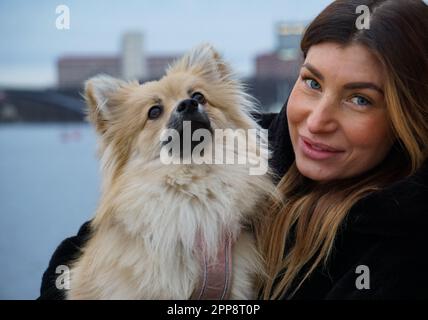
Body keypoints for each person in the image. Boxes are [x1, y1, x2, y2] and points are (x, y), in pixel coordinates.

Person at [39, 0, 428, 300]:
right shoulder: (257, 140)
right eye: (311, 83)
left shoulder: (401, 247)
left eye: (359, 99)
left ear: (408, 115)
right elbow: (79, 256)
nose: (316, 121)